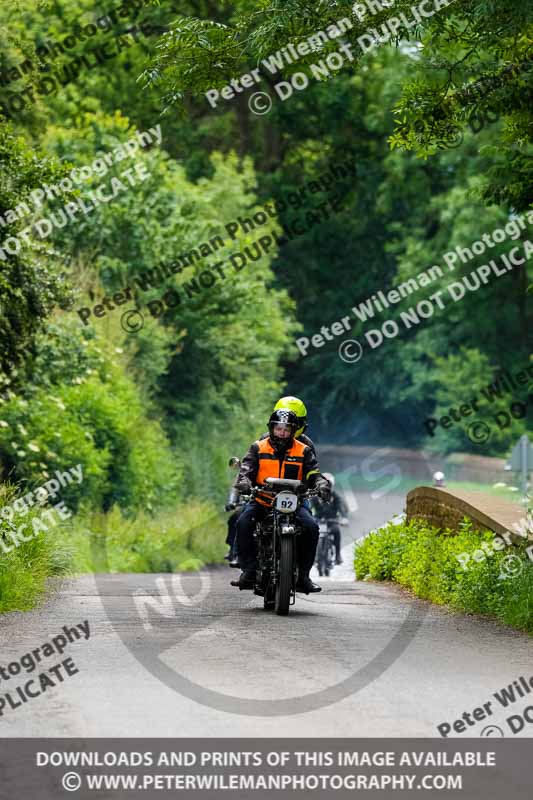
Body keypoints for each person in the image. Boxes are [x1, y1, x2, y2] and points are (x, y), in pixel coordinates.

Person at [233, 409, 331, 593]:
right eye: (278, 428)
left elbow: (313, 473)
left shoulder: (304, 450)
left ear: (294, 431)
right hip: (262, 500)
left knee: (311, 527)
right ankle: (249, 571)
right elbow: (245, 471)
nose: (282, 433)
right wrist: (244, 483)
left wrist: (321, 484)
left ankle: (303, 576)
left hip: (294, 503)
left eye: (287, 429)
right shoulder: (258, 447)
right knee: (243, 522)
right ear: (271, 428)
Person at [309, 472, 349, 564]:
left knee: (336, 531)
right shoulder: (315, 497)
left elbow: (341, 507)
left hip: (332, 521)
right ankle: (314, 555)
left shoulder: (335, 496)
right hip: (318, 520)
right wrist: (309, 516)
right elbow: (309, 507)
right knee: (311, 534)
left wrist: (344, 518)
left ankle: (338, 555)